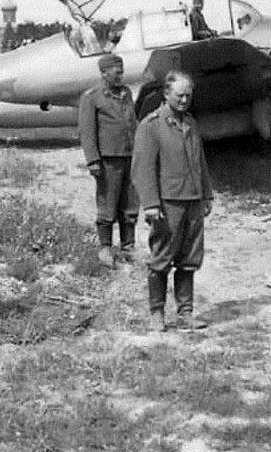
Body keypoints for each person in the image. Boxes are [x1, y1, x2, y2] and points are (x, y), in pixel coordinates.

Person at [131, 71, 214, 332]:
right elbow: (142, 168)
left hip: (193, 200)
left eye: (188, 95)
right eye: (179, 95)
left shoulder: (190, 122)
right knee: (162, 258)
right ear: (166, 94)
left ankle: (185, 312)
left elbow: (199, 162)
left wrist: (206, 194)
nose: (184, 100)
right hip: (168, 204)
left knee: (190, 258)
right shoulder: (151, 126)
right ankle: (157, 313)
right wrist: (151, 204)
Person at [78, 53, 140, 267]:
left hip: (130, 157)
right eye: (116, 72)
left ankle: (128, 247)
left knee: (130, 203)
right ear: (103, 73)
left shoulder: (126, 94)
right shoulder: (92, 97)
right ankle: (105, 247)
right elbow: (87, 132)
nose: (120, 76)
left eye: (122, 72)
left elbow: (133, 123)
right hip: (108, 160)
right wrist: (93, 160)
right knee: (108, 203)